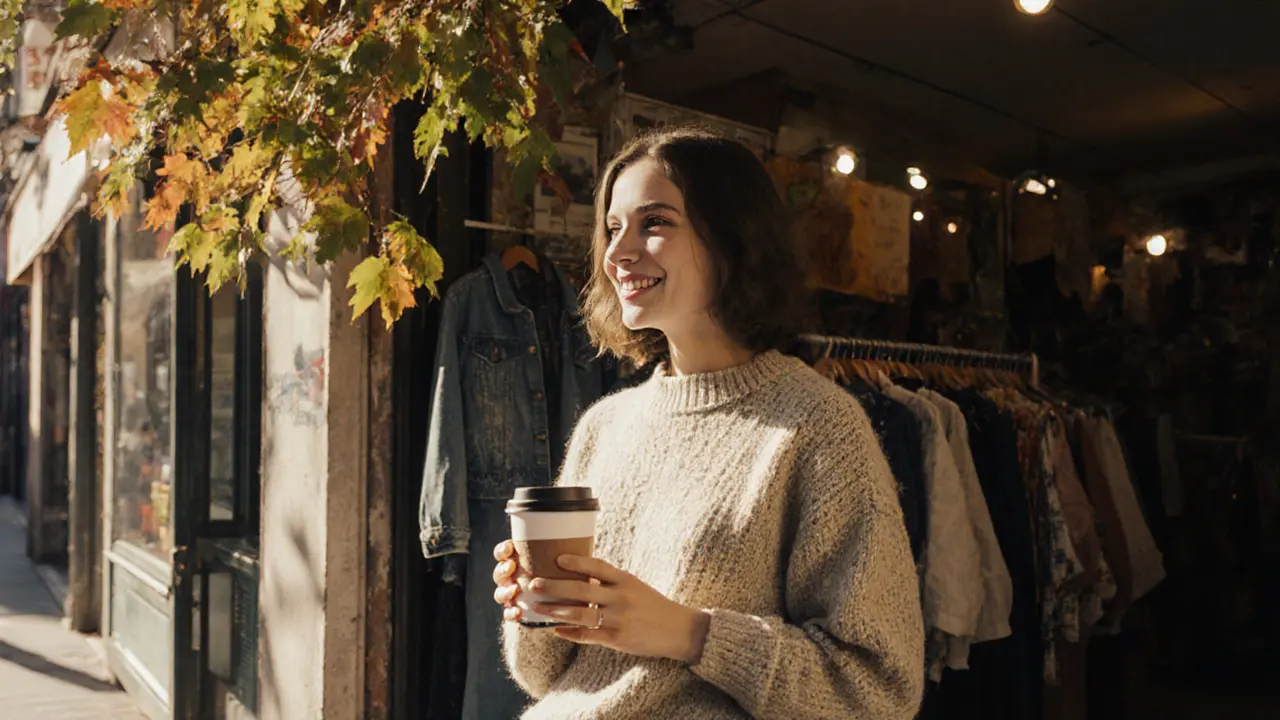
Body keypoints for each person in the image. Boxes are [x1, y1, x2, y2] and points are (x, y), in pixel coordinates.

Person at [492, 126, 924, 719]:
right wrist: (532, 608)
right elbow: (543, 675)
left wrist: (691, 633)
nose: (618, 254)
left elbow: (876, 692)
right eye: (613, 228)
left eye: (655, 223)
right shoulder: (604, 428)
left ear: (732, 237)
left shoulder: (817, 427)